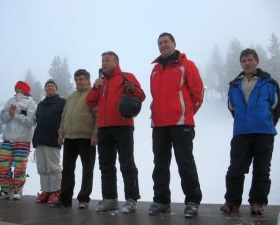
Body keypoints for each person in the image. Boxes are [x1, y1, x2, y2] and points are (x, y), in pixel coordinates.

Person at [148, 32, 204, 218]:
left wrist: (185, 113)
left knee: (185, 162)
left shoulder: (186, 65)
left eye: (166, 42)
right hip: (159, 125)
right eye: (160, 43)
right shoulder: (155, 69)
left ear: (174, 43)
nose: (163, 45)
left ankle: (192, 201)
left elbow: (197, 95)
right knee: (160, 164)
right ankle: (162, 201)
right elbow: (156, 96)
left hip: (181, 124)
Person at [220, 48, 280, 215]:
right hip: (241, 133)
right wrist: (243, 121)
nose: (247, 63)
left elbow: (276, 107)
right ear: (241, 63)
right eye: (244, 60)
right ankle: (232, 202)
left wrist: (267, 122)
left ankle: (257, 202)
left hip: (264, 133)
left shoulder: (269, 83)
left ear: (257, 61)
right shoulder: (234, 85)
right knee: (235, 169)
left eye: (250, 60)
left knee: (262, 169)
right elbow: (232, 107)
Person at [86, 51, 146, 214]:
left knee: (127, 163)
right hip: (104, 128)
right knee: (106, 165)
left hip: (123, 125)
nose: (104, 63)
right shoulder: (101, 82)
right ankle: (110, 199)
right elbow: (90, 102)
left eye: (107, 60)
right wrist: (95, 86)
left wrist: (133, 89)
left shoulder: (127, 76)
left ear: (116, 63)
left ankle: (131, 199)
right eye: (102, 61)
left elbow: (141, 96)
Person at [51, 69, 98, 209]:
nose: (78, 82)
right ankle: (65, 199)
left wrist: (95, 134)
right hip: (70, 138)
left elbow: (98, 116)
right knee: (67, 170)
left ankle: (83, 199)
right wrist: (61, 133)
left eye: (81, 79)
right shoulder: (71, 97)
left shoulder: (92, 95)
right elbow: (64, 117)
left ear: (88, 80)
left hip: (86, 138)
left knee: (87, 169)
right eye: (76, 79)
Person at [0, 81, 37, 200]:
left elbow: (31, 121)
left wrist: (16, 115)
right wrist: (9, 114)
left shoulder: (31, 103)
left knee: (19, 167)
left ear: (26, 90)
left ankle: (18, 190)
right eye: (16, 88)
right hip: (8, 139)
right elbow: (2, 118)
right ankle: (5, 190)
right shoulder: (10, 101)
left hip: (23, 140)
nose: (18, 90)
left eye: (21, 88)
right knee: (2, 165)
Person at [32, 79, 66, 204]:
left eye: (52, 86)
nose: (49, 88)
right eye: (47, 86)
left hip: (53, 138)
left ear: (56, 89)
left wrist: (62, 134)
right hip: (40, 139)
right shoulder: (41, 104)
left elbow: (65, 119)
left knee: (53, 167)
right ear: (45, 89)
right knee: (42, 167)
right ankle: (46, 190)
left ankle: (56, 191)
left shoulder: (62, 102)